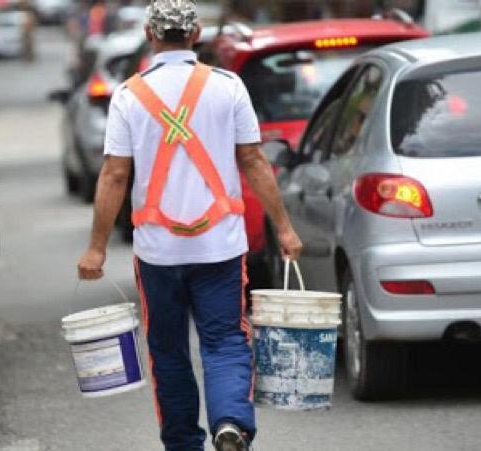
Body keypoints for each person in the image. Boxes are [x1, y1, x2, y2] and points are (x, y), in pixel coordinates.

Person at [76, 0, 303, 449]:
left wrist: (97, 247)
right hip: (219, 245)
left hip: (157, 250)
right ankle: (231, 423)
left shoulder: (129, 95)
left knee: (168, 351)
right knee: (224, 341)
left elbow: (115, 174)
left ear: (149, 33)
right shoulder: (228, 87)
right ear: (196, 32)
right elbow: (253, 160)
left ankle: (183, 443)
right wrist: (284, 228)